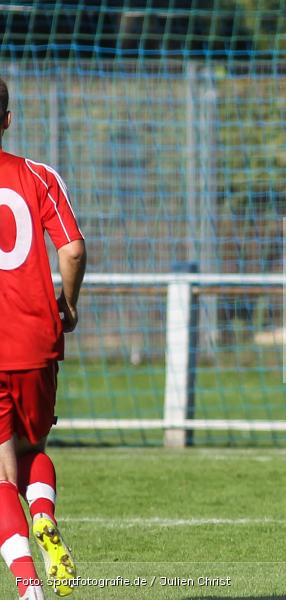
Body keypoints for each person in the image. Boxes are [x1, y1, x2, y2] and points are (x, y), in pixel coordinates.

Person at [0, 78, 84, 598]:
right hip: (35, 338)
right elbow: (71, 249)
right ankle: (46, 516)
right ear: (6, 119)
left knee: (1, 472)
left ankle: (26, 583)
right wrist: (68, 308)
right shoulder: (37, 176)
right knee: (34, 449)